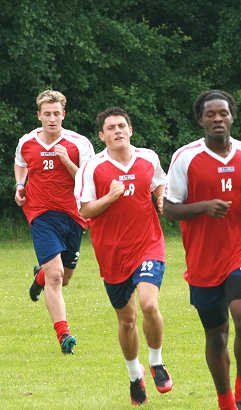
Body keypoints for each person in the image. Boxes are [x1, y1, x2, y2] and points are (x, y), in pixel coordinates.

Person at [163, 90, 241, 410]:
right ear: (200, 120)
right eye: (210, 115)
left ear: (232, 116)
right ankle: (225, 401)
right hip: (203, 260)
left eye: (223, 113)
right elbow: (169, 208)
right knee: (217, 335)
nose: (217, 119)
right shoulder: (185, 158)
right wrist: (204, 207)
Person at [74, 106, 173, 405]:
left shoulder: (149, 158)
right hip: (112, 253)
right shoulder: (92, 168)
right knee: (127, 321)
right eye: (111, 128)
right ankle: (134, 374)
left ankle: (156, 362)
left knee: (149, 304)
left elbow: (160, 182)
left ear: (130, 130)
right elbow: (84, 210)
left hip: (148, 244)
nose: (117, 131)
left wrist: (161, 198)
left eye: (122, 126)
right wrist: (110, 196)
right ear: (102, 135)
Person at [14, 89, 95, 354]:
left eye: (56, 114)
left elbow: (88, 181)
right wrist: (19, 185)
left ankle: (40, 277)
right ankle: (64, 335)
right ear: (39, 115)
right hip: (40, 214)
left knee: (66, 276)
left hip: (73, 216)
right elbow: (21, 163)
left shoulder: (78, 143)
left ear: (64, 115)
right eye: (46, 114)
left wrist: (66, 161)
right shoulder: (26, 141)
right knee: (57, 275)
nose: (51, 119)